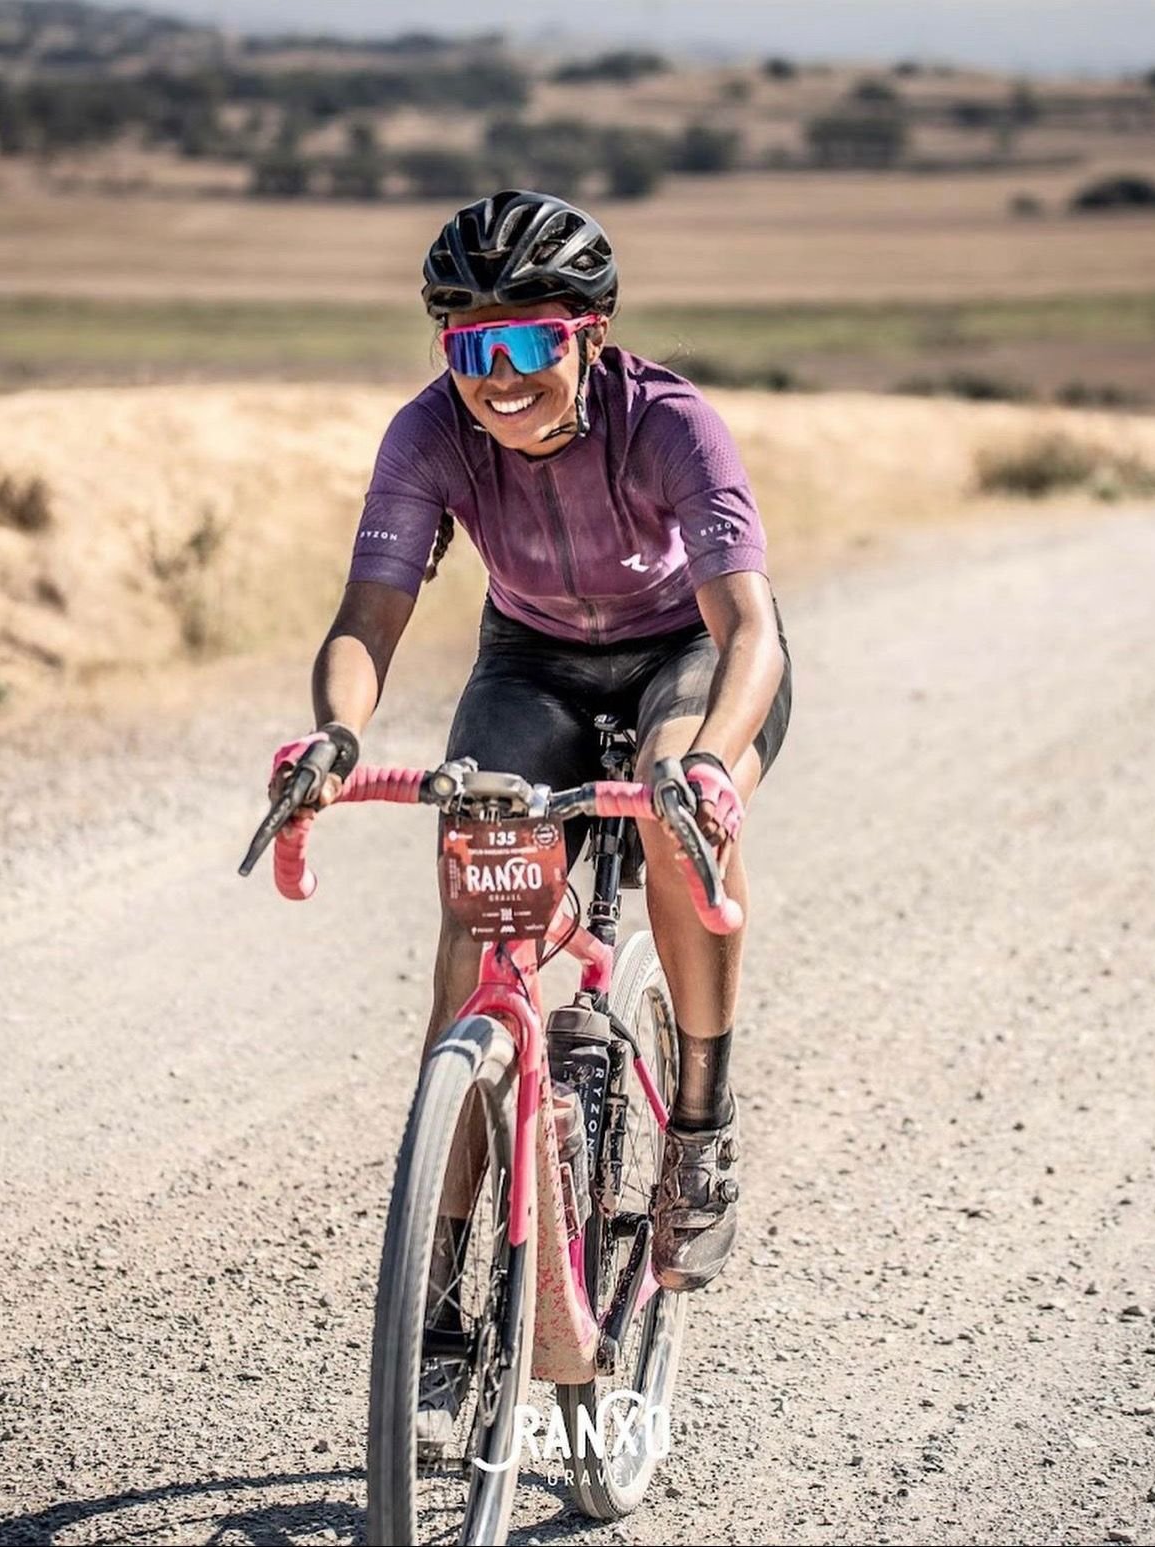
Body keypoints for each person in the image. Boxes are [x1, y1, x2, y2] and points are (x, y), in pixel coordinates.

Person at [274, 188, 791, 1304]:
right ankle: (441, 1271)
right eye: (469, 345)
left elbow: (748, 627)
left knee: (669, 815)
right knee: (475, 909)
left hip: (685, 657)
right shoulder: (430, 431)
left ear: (589, 336)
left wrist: (707, 766)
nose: (497, 375)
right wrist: (334, 735)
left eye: (526, 340)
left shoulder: (668, 420)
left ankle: (700, 1124)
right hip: (535, 659)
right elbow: (367, 620)